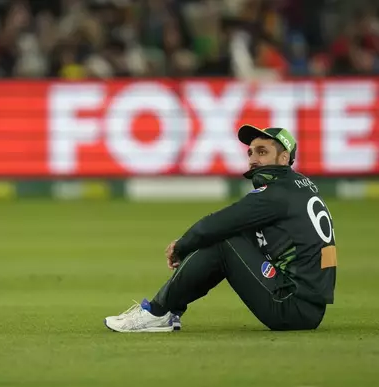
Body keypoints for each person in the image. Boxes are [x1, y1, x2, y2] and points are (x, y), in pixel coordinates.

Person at [104, 125, 337, 332]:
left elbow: (216, 224)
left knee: (223, 239)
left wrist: (181, 247)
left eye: (262, 152)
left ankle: (157, 312)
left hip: (291, 307)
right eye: (250, 152)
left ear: (284, 158)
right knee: (226, 239)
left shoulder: (274, 195)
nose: (253, 158)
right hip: (307, 305)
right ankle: (167, 310)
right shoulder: (299, 187)